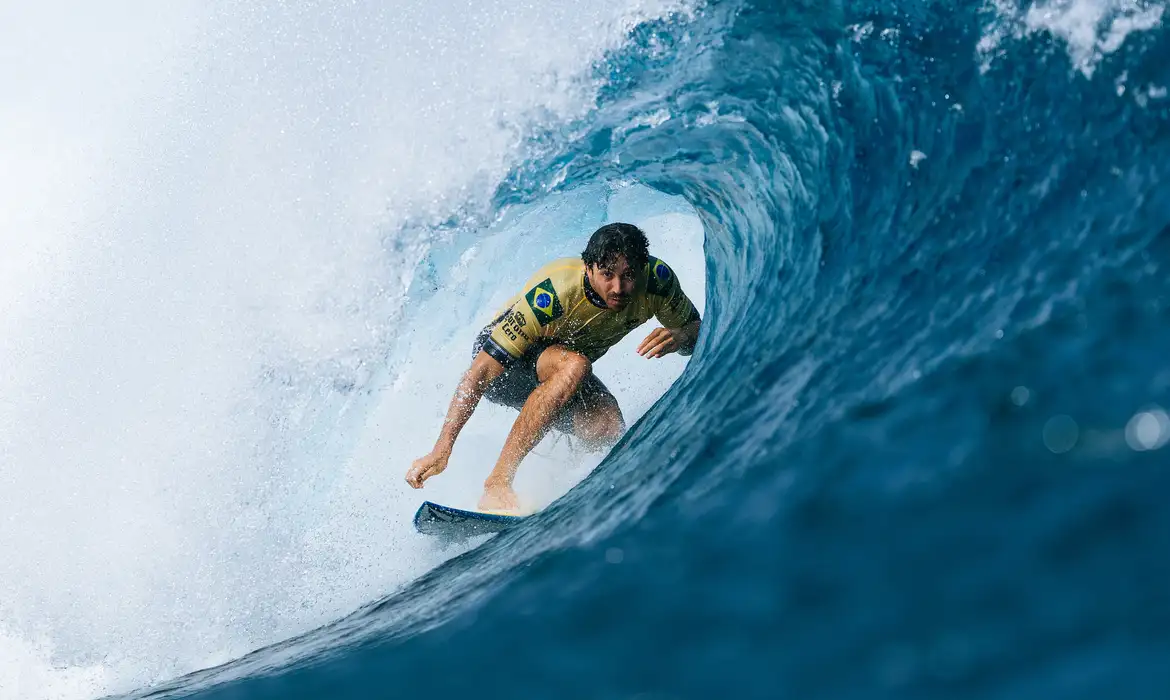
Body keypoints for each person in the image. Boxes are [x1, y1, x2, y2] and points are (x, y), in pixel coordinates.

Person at [404, 222, 702, 512]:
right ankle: (497, 483)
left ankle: (566, 492)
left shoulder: (657, 281)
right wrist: (442, 447)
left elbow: (696, 331)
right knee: (574, 365)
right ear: (589, 268)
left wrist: (680, 336)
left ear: (643, 267)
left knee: (607, 427)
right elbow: (479, 372)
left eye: (629, 275)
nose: (619, 287)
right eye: (607, 274)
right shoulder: (555, 294)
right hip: (507, 368)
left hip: (564, 369)